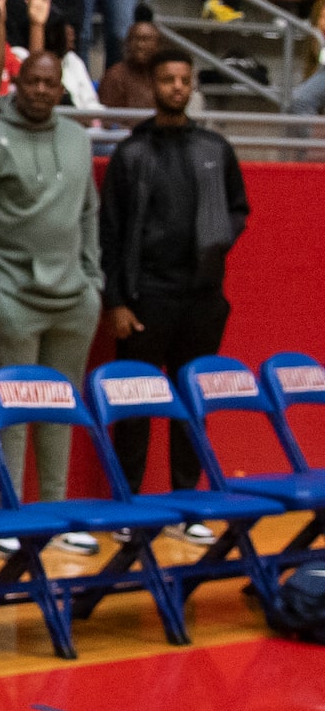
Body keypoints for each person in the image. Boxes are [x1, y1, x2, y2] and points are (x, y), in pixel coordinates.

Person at [0, 47, 104, 518]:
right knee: (12, 416)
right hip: (13, 300)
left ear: (62, 89)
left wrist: (93, 279)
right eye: (32, 82)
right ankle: (10, 517)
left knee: (61, 410)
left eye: (49, 83)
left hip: (75, 299)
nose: (40, 90)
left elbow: (89, 213)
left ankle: (55, 515)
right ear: (16, 84)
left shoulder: (79, 139)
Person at [100, 50, 250, 496]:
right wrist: (117, 302)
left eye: (184, 80)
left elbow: (238, 208)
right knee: (135, 404)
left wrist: (215, 240)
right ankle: (127, 502)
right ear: (154, 86)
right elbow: (108, 233)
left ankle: (188, 499)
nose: (177, 88)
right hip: (145, 298)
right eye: (168, 80)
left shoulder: (215, 149)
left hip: (202, 299)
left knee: (193, 405)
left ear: (192, 85)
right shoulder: (131, 153)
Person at [99, 12, 166, 110]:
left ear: (158, 45)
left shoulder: (166, 75)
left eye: (146, 39)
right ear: (127, 44)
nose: (140, 45)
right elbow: (106, 119)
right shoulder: (115, 76)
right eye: (134, 39)